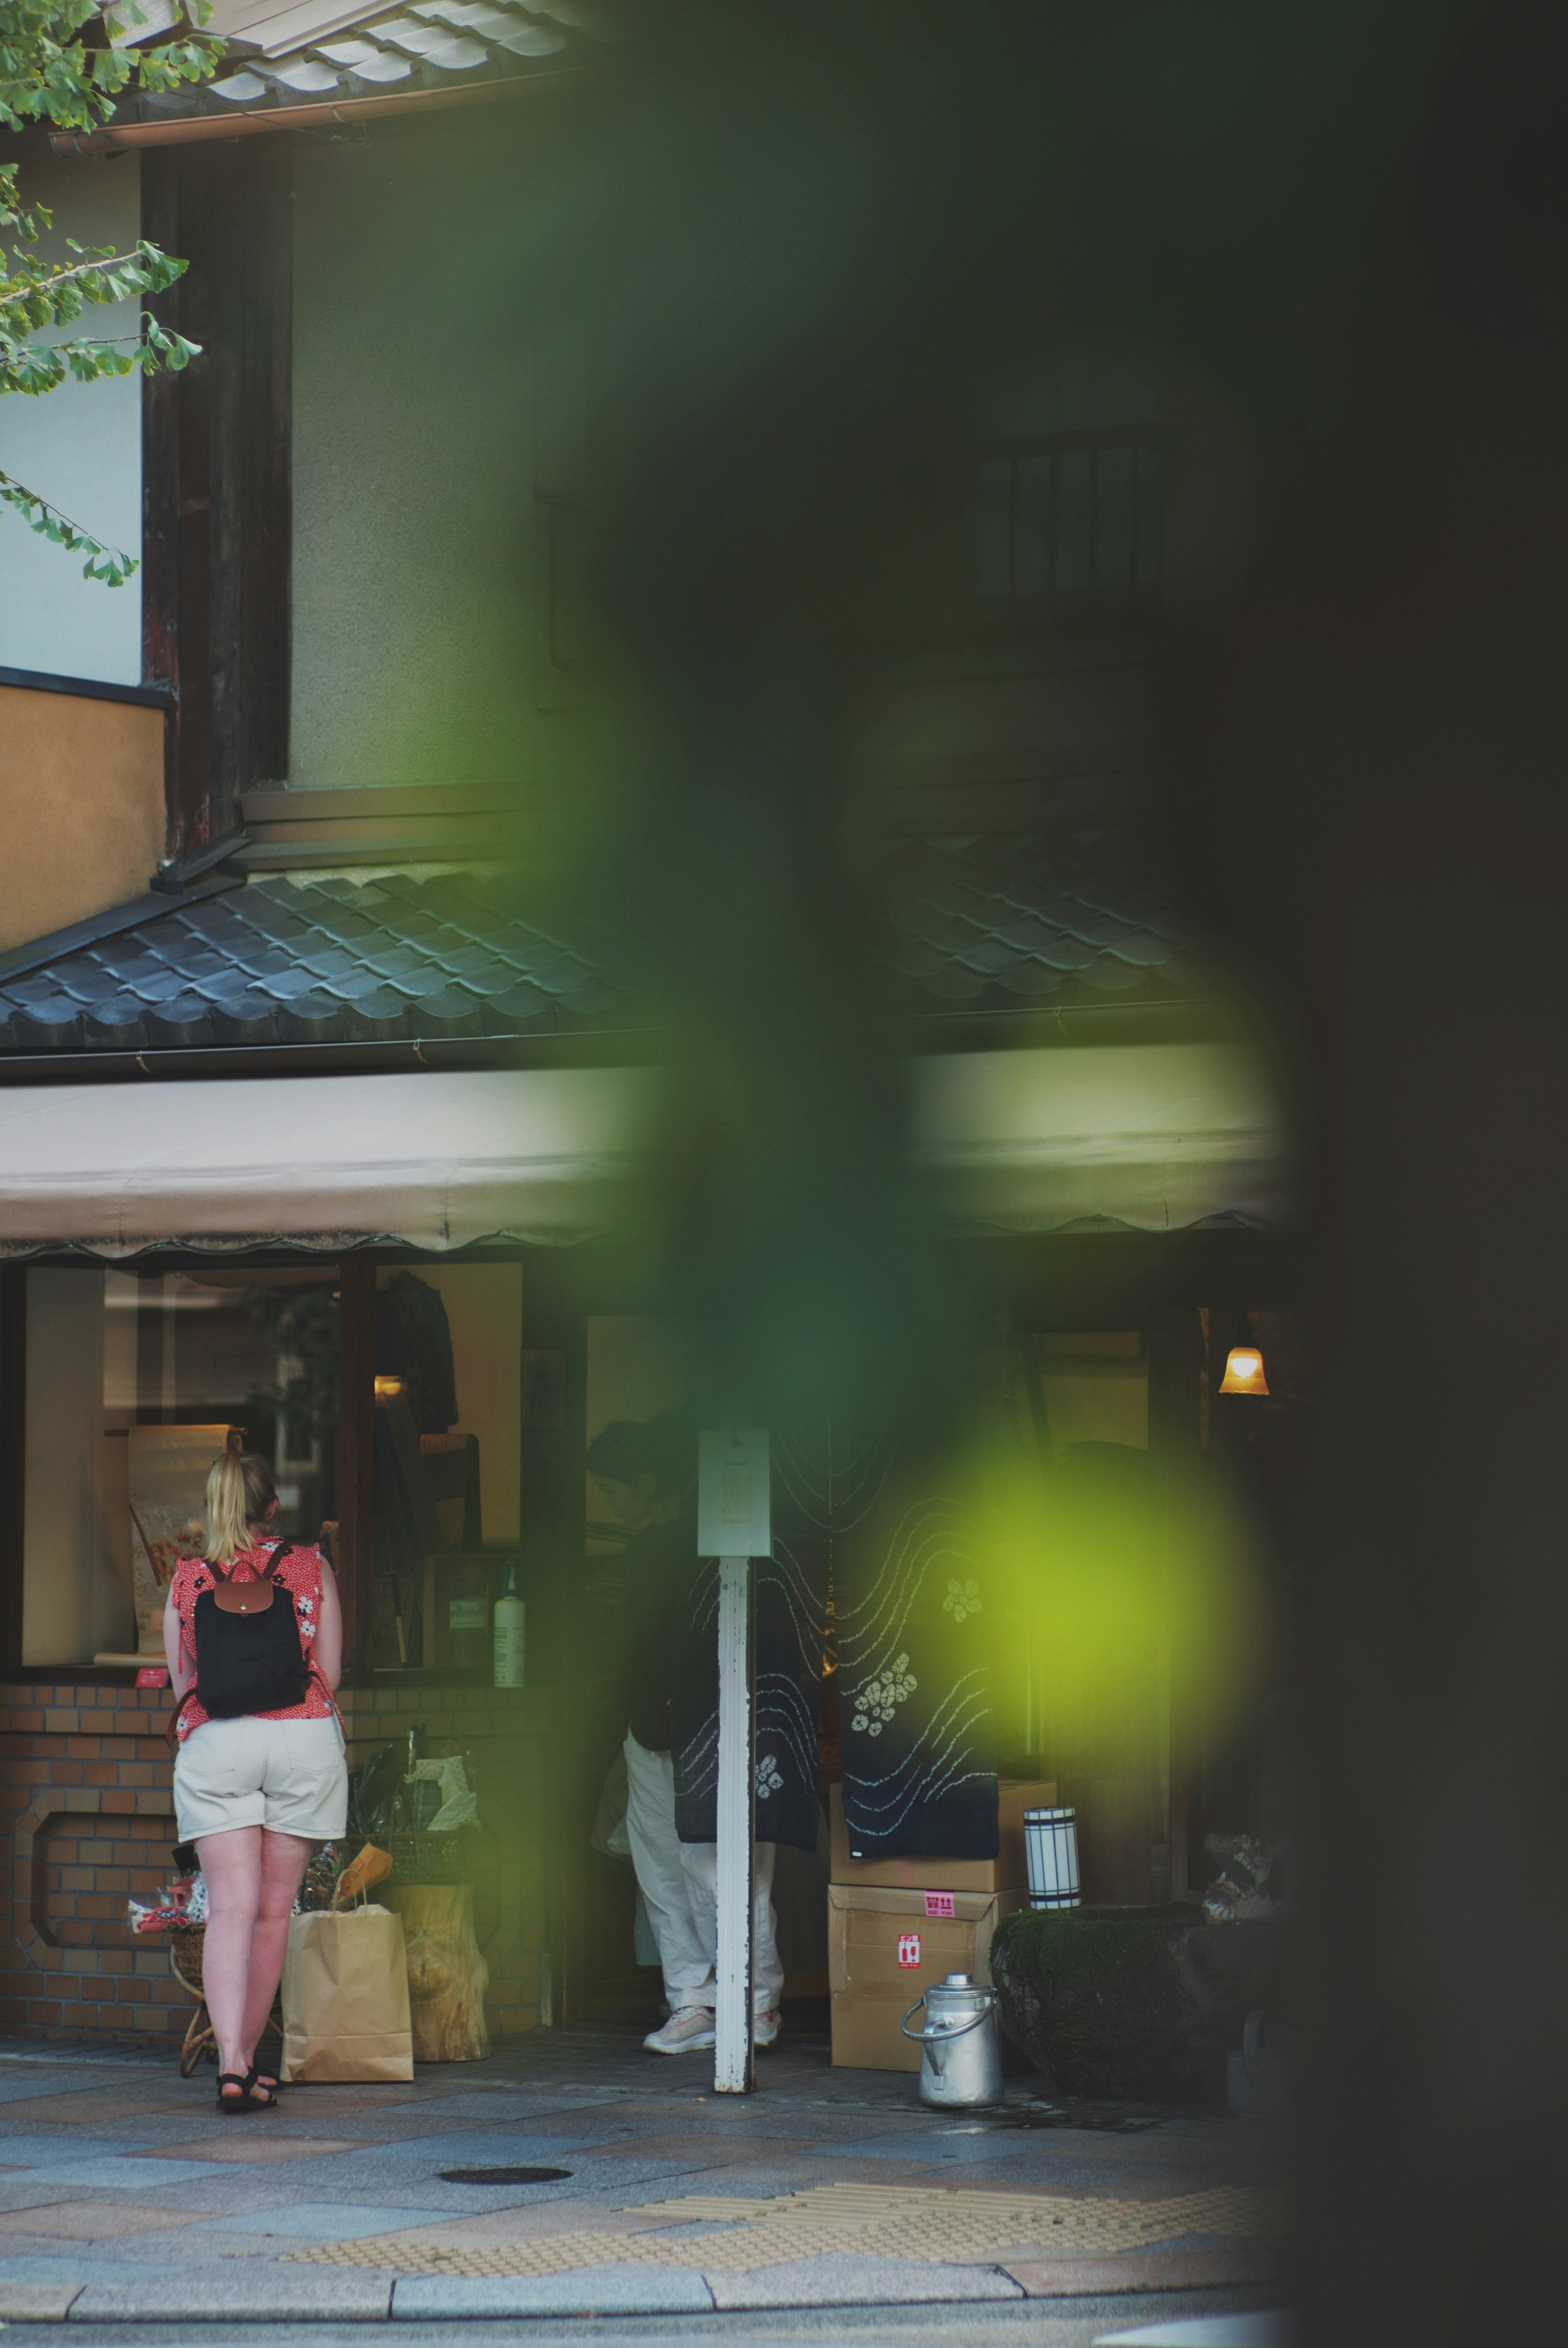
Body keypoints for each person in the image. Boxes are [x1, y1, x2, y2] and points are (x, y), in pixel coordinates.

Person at [588, 1414, 784, 2054]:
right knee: (667, 1863)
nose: (610, 1504)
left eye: (615, 1490)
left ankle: (750, 2000)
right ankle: (695, 1999)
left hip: (706, 1715)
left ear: (648, 1482)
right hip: (649, 1724)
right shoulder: (650, 1544)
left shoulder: (712, 1540)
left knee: (711, 1863)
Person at [164, 1452, 346, 2112]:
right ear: (272, 1507)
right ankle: (249, 2063)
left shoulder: (186, 1578)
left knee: (231, 1911)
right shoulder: (310, 1566)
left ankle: (233, 2067)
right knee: (273, 1911)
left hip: (218, 1745)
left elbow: (187, 1684)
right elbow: (329, 1671)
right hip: (301, 1740)